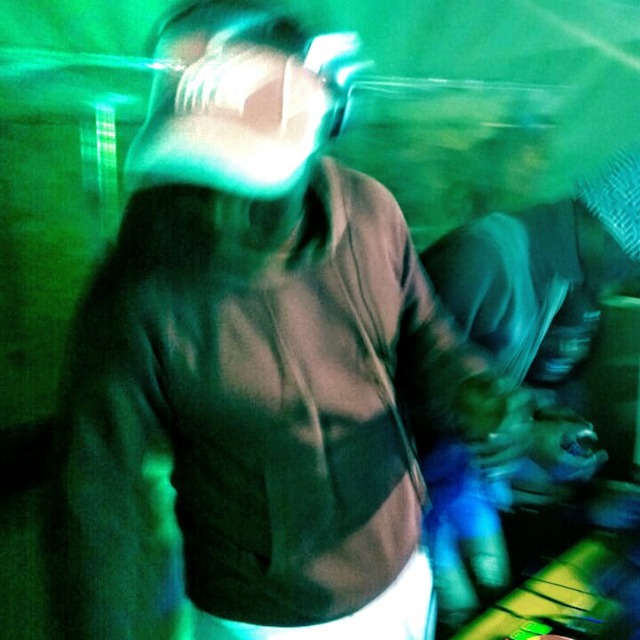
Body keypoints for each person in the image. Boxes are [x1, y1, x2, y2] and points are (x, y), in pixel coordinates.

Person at [44, 2, 533, 639]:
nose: (221, 204)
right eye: (199, 168)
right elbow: (92, 501)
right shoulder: (138, 289)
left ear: (321, 130)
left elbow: (428, 335)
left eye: (249, 174)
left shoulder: (372, 213)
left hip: (403, 577)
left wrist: (472, 387)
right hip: (265, 621)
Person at [419, 146, 640, 636]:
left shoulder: (559, 273)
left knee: (491, 597)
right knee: (454, 612)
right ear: (613, 233)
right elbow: (405, 393)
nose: (630, 277)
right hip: (413, 494)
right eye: (634, 261)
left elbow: (493, 381)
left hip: (457, 477)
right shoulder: (486, 257)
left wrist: (544, 422)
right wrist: (524, 438)